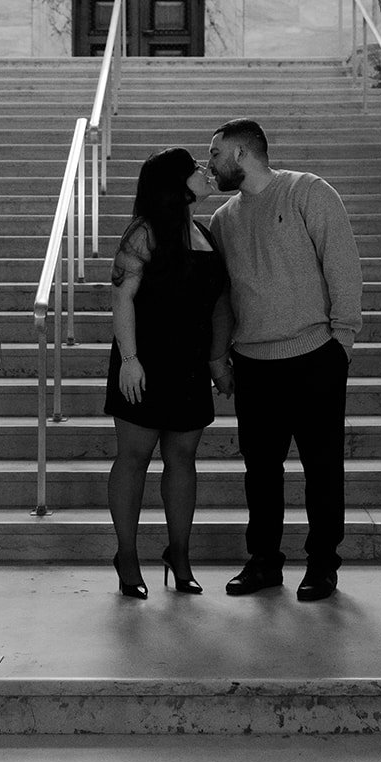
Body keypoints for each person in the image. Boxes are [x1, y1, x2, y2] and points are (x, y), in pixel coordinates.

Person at [206, 117, 362, 603]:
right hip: (253, 363)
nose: (208, 166)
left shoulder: (308, 193)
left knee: (322, 469)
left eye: (214, 155)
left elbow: (342, 265)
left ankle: (322, 565)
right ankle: (264, 562)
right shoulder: (222, 220)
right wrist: (222, 358)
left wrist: (343, 341)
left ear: (241, 155)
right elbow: (226, 297)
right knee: (261, 472)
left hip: (315, 355)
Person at [105, 147, 231, 598]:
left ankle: (179, 556)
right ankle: (128, 556)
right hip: (144, 361)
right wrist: (130, 360)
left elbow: (218, 302)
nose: (205, 171)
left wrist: (217, 360)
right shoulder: (144, 233)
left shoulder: (203, 232)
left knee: (182, 461)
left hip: (189, 365)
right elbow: (121, 298)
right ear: (175, 183)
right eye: (195, 167)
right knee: (134, 458)